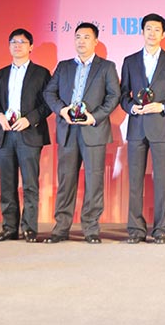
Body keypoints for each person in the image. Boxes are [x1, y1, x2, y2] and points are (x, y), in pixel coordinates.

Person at [43, 22, 120, 244]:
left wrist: (94, 116)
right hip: (68, 130)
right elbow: (49, 92)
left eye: (86, 37)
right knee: (66, 181)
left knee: (94, 181)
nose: (81, 41)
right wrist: (62, 110)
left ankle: (91, 229)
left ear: (95, 41)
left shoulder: (106, 67)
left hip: (93, 129)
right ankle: (61, 228)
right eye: (78, 37)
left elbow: (113, 96)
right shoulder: (64, 66)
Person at [120, 13, 165, 245]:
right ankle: (135, 229)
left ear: (163, 34)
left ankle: (160, 229)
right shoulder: (130, 61)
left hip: (161, 127)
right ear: (142, 31)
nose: (152, 33)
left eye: (157, 29)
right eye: (148, 29)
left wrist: (163, 106)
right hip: (137, 127)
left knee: (163, 181)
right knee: (135, 182)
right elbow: (123, 94)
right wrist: (131, 108)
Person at [0, 28, 52, 243]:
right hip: (6, 134)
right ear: (9, 46)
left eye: (22, 42)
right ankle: (9, 228)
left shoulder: (41, 73)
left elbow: (47, 104)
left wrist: (29, 119)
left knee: (30, 184)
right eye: (13, 42)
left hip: (29, 133)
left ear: (31, 47)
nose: (17, 46)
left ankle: (29, 229)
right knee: (7, 184)